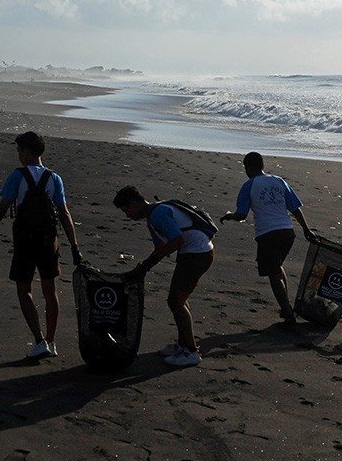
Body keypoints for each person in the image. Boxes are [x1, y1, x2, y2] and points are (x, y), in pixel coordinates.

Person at [0, 131, 82, 359]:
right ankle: (52, 342)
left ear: (26, 151)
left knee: (24, 290)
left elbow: (2, 208)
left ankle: (39, 340)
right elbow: (64, 213)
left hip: (25, 240)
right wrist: (74, 246)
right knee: (50, 290)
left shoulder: (17, 176)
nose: (18, 155)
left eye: (19, 151)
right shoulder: (54, 178)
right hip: (48, 240)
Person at [113, 186, 214, 367]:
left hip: (198, 253)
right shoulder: (152, 217)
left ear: (134, 204)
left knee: (176, 301)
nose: (127, 215)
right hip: (191, 253)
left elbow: (177, 240)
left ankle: (191, 351)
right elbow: (160, 248)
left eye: (126, 210)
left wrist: (146, 265)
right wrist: (144, 267)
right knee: (178, 299)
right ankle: (183, 343)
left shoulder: (158, 214)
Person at [219, 152, 315, 330]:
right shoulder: (279, 181)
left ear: (247, 168)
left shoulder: (248, 186)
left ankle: (287, 313)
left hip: (267, 233)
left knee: (273, 273)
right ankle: (286, 304)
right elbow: (294, 208)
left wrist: (230, 216)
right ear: (262, 165)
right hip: (287, 232)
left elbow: (241, 215)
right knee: (277, 267)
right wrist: (306, 229)